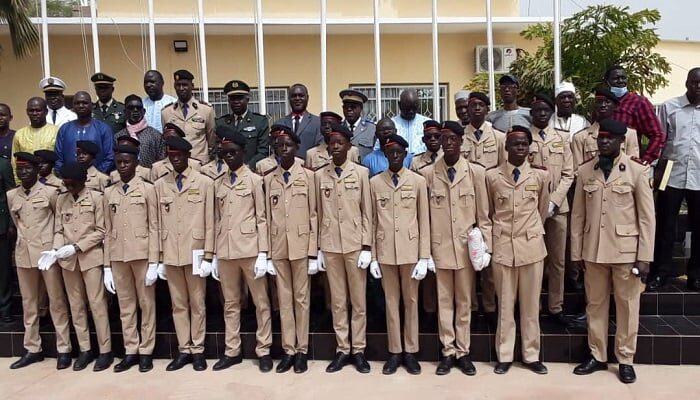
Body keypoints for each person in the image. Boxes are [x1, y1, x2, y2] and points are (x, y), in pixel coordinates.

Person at [570, 118, 654, 384]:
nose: (604, 142)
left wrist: (645, 257)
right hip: (593, 250)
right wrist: (576, 253)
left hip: (625, 251)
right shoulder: (586, 170)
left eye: (609, 138)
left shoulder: (636, 171)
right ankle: (597, 355)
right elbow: (578, 216)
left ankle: (626, 359)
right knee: (595, 305)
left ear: (621, 141)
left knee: (627, 306)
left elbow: (647, 218)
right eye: (601, 138)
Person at [422, 121, 490, 376]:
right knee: (444, 302)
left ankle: (463, 351)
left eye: (453, 139)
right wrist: (425, 252)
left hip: (465, 250)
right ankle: (447, 352)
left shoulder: (475, 173)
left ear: (462, 142)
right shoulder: (428, 174)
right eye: (444, 139)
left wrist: (486, 248)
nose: (448, 143)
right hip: (439, 249)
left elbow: (483, 215)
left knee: (464, 302)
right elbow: (424, 217)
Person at [486, 126, 550, 375]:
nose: (520, 148)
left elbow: (542, 210)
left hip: (531, 247)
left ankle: (531, 355)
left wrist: (531, 231)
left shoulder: (540, 176)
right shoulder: (492, 177)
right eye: (515, 144)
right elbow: (489, 211)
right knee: (505, 305)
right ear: (506, 147)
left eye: (524, 144)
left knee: (531, 305)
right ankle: (505, 355)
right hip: (503, 246)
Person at [211, 126, 273, 373]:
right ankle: (232, 350)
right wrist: (213, 255)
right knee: (230, 303)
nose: (229, 157)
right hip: (226, 250)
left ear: (243, 152)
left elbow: (262, 218)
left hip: (250, 250)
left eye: (233, 152)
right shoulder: (218, 183)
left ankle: (264, 349)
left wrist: (263, 253)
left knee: (261, 302)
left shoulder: (255, 181)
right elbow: (216, 220)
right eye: (225, 153)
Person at [369, 133, 430, 375]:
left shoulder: (418, 181)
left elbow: (424, 220)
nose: (394, 156)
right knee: (391, 302)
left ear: (405, 155)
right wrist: (373, 257)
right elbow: (372, 221)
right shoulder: (375, 183)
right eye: (390, 153)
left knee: (411, 301)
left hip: (410, 251)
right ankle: (395, 351)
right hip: (386, 252)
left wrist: (424, 256)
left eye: (398, 153)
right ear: (385, 155)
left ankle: (411, 351)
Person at [315, 123, 372, 374]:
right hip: (330, 245)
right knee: (337, 301)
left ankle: (358, 349)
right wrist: (318, 248)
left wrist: (367, 246)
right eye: (332, 143)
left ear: (349, 146)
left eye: (340, 142)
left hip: (354, 244)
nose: (335, 146)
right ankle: (342, 348)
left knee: (358, 301)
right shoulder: (320, 176)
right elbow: (317, 213)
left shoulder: (361, 173)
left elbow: (367, 212)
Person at [155, 135, 214, 372]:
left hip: (196, 251)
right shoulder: (160, 185)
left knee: (197, 303)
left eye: (179, 155)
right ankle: (184, 349)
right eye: (171, 156)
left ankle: (198, 349)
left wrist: (209, 254)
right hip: (171, 251)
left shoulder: (204, 183)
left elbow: (210, 221)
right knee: (178, 304)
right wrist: (158, 258)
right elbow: (156, 223)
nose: (175, 159)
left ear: (188, 155)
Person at [7, 152, 71, 370]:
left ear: (36, 170)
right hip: (24, 254)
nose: (23, 172)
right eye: (20, 169)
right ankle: (33, 348)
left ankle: (64, 348)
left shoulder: (50, 192)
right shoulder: (12, 195)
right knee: (29, 303)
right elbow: (17, 223)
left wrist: (54, 249)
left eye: (27, 168)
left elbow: (58, 222)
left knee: (56, 301)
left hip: (47, 254)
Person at [263, 125, 317, 373]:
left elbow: (314, 214)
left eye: (288, 145)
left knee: (301, 300)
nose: (283, 149)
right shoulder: (269, 179)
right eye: (279, 145)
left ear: (297, 148)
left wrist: (313, 251)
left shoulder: (308, 177)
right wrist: (266, 253)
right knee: (284, 301)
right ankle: (288, 350)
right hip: (278, 247)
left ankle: (302, 350)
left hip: (301, 246)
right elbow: (265, 217)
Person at [52, 161, 113, 371]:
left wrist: (77, 247)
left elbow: (101, 230)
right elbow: (58, 229)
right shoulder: (62, 199)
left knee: (97, 305)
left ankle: (105, 350)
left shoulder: (96, 198)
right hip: (68, 261)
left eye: (73, 184)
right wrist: (56, 249)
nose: (69, 187)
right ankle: (85, 349)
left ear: (83, 180)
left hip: (90, 258)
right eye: (66, 184)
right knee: (76, 306)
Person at [103, 144, 159, 373]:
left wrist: (154, 261)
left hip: (142, 254)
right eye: (119, 162)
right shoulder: (109, 192)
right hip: (118, 256)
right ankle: (131, 350)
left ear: (136, 163)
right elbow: (107, 231)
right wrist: (106, 266)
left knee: (146, 304)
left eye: (127, 162)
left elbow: (154, 226)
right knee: (125, 306)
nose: (123, 166)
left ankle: (146, 350)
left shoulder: (148, 189)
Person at [649, 68, 700, 292]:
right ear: (687, 83)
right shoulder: (670, 107)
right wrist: (653, 169)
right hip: (671, 172)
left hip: (699, 174)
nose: (698, 86)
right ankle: (661, 273)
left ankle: (695, 275)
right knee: (665, 225)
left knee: (698, 228)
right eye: (694, 82)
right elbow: (659, 139)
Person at [528, 94, 574, 325]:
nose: (542, 113)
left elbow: (568, 174)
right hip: (531, 210)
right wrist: (539, 204)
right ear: (531, 113)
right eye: (538, 110)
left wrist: (553, 201)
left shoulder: (562, 138)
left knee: (558, 261)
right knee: (534, 261)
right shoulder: (523, 137)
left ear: (551, 112)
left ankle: (555, 306)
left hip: (558, 208)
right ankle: (533, 307)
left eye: (546, 110)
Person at [462, 91, 506, 326]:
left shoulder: (499, 138)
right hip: (465, 203)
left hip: (491, 204)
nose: (477, 108)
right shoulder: (460, 137)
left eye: (481, 105)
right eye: (473, 105)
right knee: (466, 257)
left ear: (488, 109)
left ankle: (489, 306)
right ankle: (470, 306)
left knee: (489, 254)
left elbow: (503, 172)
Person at [605, 65, 665, 163]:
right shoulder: (602, 103)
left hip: (628, 162)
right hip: (601, 161)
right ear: (607, 82)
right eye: (616, 78)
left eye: (623, 78)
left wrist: (645, 160)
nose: (620, 81)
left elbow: (658, 134)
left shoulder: (638, 102)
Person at [571, 88, 639, 168]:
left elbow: (633, 167)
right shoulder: (580, 138)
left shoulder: (629, 135)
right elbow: (577, 170)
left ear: (615, 106)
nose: (603, 105)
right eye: (599, 102)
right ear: (594, 106)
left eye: (607, 102)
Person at [161, 69, 216, 164]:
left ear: (192, 86)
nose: (181, 88)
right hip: (176, 164)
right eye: (178, 85)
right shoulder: (166, 112)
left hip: (200, 164)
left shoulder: (206, 110)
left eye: (185, 85)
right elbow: (167, 141)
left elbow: (212, 141)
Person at [54, 91, 114, 174]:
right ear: (73, 106)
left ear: (92, 105)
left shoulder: (103, 128)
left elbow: (110, 157)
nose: (81, 106)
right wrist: (65, 175)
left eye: (84, 103)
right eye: (77, 103)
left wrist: (95, 176)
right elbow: (57, 158)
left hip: (96, 179)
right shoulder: (64, 129)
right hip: (69, 179)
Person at [215, 80, 269, 169]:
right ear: (228, 101)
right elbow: (217, 150)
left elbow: (263, 151)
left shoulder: (260, 121)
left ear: (247, 100)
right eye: (233, 98)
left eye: (240, 98)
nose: (236, 102)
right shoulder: (221, 123)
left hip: (252, 170)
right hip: (226, 171)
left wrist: (248, 167)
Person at [11, 98, 59, 181]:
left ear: (46, 112)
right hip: (27, 182)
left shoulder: (56, 132)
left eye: (38, 110)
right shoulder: (19, 134)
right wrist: (18, 182)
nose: (34, 113)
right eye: (31, 111)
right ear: (27, 112)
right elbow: (14, 161)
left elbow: (60, 159)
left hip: (51, 182)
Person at [116, 94, 166, 168]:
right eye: (131, 108)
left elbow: (162, 161)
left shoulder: (156, 135)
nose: (135, 110)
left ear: (144, 111)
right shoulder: (118, 137)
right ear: (125, 112)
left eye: (138, 108)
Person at [275, 83, 322, 158]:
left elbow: (319, 147)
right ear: (289, 99)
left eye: (301, 95)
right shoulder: (280, 123)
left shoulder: (318, 122)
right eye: (294, 96)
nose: (297, 98)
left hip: (309, 164)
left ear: (307, 98)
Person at [391, 89, 430, 155]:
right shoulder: (391, 124)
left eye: (414, 107)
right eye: (407, 108)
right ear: (399, 105)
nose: (411, 111)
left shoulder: (427, 123)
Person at [340, 89, 376, 158]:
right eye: (346, 107)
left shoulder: (372, 129)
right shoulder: (338, 128)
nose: (349, 109)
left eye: (353, 107)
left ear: (361, 108)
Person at [0, 155, 15, 323]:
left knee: (3, 271)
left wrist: (11, 223)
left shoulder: (3, 164)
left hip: (1, 226)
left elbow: (11, 194)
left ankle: (5, 308)